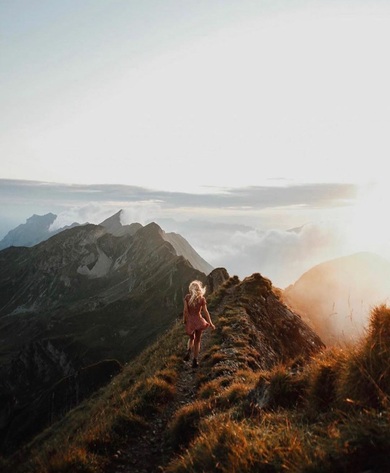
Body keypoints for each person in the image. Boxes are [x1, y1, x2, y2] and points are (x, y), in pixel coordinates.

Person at [183, 280, 215, 368]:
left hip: (190, 321)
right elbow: (206, 311)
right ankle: (195, 360)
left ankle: (189, 350)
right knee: (197, 340)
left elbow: (185, 311)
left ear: (191, 289)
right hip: (199, 321)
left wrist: (184, 320)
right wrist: (210, 323)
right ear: (199, 289)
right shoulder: (201, 299)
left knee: (191, 338)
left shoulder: (187, 298)